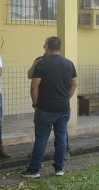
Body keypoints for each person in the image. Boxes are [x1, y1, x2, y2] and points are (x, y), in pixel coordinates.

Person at [22, 36, 77, 179]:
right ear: (60, 48)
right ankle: (59, 169)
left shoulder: (42, 63)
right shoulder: (69, 63)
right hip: (64, 108)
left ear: (46, 47)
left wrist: (35, 104)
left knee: (41, 139)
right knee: (61, 137)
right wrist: (66, 98)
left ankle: (34, 170)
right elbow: (74, 85)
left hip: (45, 108)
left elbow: (34, 86)